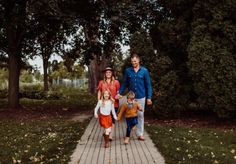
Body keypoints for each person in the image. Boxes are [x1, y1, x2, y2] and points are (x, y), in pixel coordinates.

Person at [118, 53, 152, 141]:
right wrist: (120, 93)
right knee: (130, 115)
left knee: (140, 115)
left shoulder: (144, 71)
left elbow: (148, 85)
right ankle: (129, 131)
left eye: (135, 61)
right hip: (130, 98)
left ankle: (140, 134)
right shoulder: (128, 71)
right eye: (132, 61)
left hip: (141, 97)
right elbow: (124, 83)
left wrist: (149, 97)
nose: (134, 63)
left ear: (139, 60)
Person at [97, 67, 120, 141]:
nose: (108, 74)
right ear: (105, 74)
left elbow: (118, 92)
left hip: (114, 103)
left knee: (112, 119)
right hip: (104, 104)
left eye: (109, 72)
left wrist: (118, 96)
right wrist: (99, 101)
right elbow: (99, 91)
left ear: (112, 73)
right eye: (107, 72)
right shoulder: (101, 82)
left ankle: (110, 135)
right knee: (105, 119)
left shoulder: (116, 82)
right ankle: (107, 132)